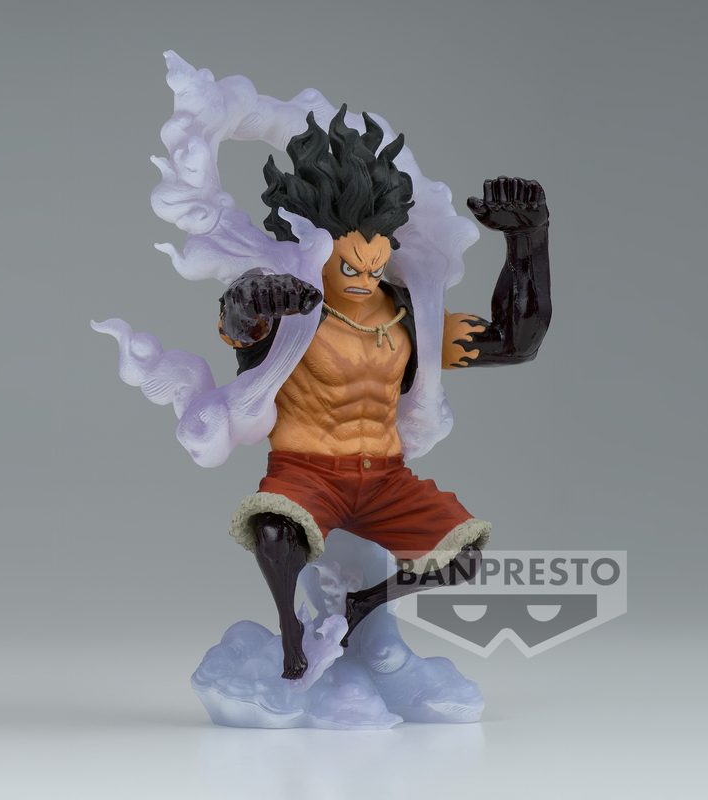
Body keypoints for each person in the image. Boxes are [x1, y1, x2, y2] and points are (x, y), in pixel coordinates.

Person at [219, 107, 551, 679]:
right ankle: (292, 635)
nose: (365, 277)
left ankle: (365, 604)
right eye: (349, 266)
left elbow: (516, 343)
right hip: (307, 471)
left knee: (463, 556)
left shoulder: (409, 317)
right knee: (274, 529)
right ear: (313, 245)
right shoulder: (290, 307)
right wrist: (254, 301)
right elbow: (237, 321)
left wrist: (529, 241)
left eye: (375, 265)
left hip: (387, 479)